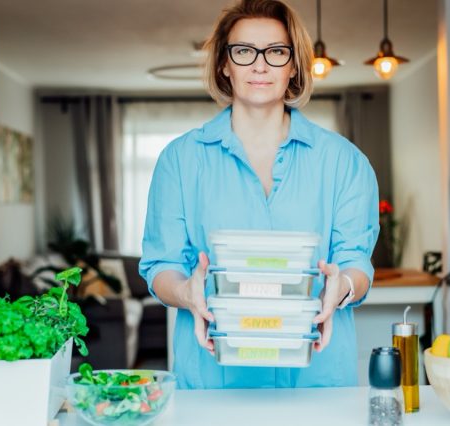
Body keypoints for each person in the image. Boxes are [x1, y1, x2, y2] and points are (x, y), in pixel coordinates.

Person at [139, 0, 379, 389]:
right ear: (224, 64)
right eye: (244, 51)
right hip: (212, 384)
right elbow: (160, 264)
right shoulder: (179, 161)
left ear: (294, 65)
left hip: (317, 384)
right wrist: (186, 291)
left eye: (276, 51)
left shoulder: (345, 162)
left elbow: (355, 261)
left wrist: (343, 287)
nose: (260, 64)